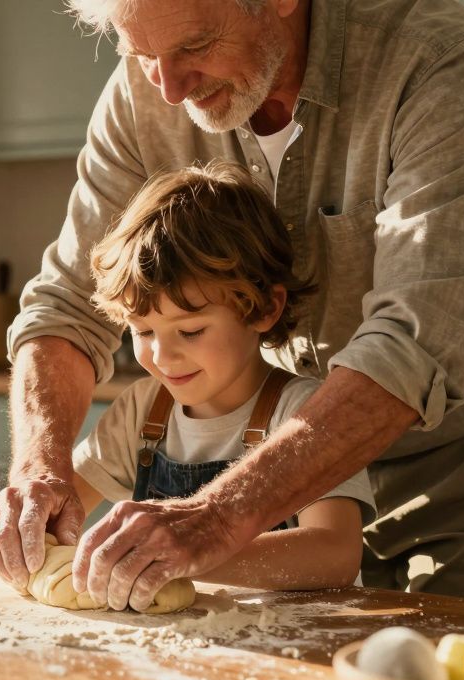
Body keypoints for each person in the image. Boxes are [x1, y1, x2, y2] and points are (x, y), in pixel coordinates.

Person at [0, 0, 464, 609]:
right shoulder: (144, 91)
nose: (170, 89)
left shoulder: (432, 59)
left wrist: (215, 515)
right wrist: (38, 471)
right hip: (281, 476)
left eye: (194, 46)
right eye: (142, 54)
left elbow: (413, 343)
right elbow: (66, 305)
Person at [73, 162, 373, 601]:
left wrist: (190, 553)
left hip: (285, 646)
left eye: (190, 331)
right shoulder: (143, 410)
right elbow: (64, 510)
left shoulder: (303, 413)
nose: (162, 356)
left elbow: (336, 554)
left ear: (265, 308)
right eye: (143, 331)